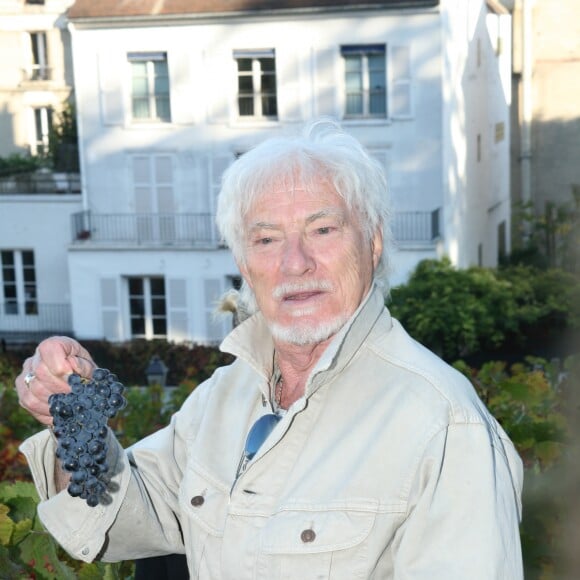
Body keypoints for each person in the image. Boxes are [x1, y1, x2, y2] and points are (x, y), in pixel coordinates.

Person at [16, 119, 524, 579]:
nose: (295, 263)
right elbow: (120, 517)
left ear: (372, 242)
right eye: (265, 240)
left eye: (322, 230)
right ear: (242, 260)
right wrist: (71, 417)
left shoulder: (445, 426)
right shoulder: (224, 396)